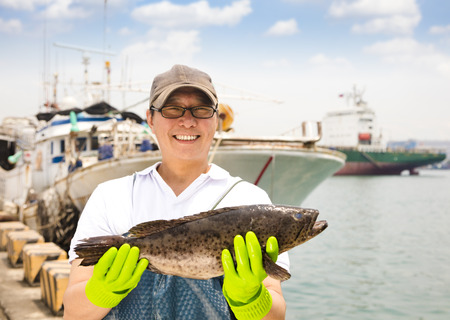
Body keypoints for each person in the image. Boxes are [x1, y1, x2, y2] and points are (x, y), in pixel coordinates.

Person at [63, 64, 289, 320]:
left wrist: (250, 299)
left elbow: (275, 314)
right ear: (150, 118)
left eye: (201, 110)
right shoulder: (111, 196)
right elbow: (73, 313)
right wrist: (101, 291)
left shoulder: (251, 200)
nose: (188, 120)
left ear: (216, 119)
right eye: (172, 109)